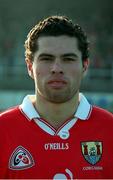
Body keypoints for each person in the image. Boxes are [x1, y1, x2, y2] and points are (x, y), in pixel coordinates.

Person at [0, 15, 113, 179]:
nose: (57, 68)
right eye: (47, 59)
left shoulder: (109, 129)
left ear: (85, 65)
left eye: (68, 59)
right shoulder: (3, 130)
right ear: (30, 66)